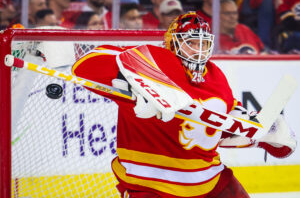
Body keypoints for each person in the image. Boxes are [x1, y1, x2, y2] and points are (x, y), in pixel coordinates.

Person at [72, 11, 296, 198]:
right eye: (191, 42)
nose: (199, 50)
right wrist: (138, 85)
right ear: (173, 42)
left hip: (211, 182)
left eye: (204, 43)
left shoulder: (215, 76)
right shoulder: (154, 60)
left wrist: (260, 136)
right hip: (149, 185)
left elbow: (214, 132)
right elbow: (85, 65)